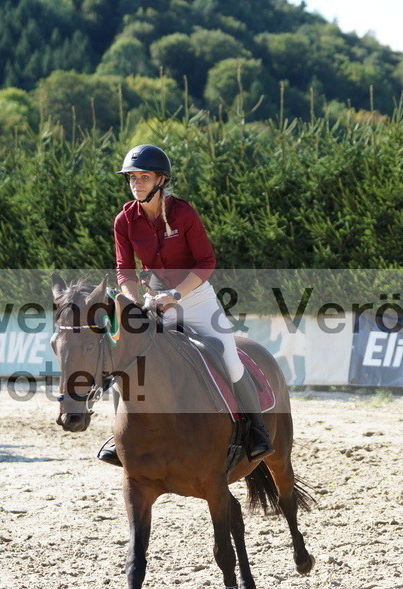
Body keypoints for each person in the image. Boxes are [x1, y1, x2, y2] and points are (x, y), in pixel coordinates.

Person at [95, 144, 273, 465]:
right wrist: (132, 302)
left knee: (230, 361)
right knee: (126, 364)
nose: (136, 183)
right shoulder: (125, 220)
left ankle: (256, 431)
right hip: (154, 301)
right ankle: (121, 436)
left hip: (196, 298)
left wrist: (176, 295)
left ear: (161, 180)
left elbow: (206, 262)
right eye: (132, 178)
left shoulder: (183, 214)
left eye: (144, 177)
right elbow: (125, 270)